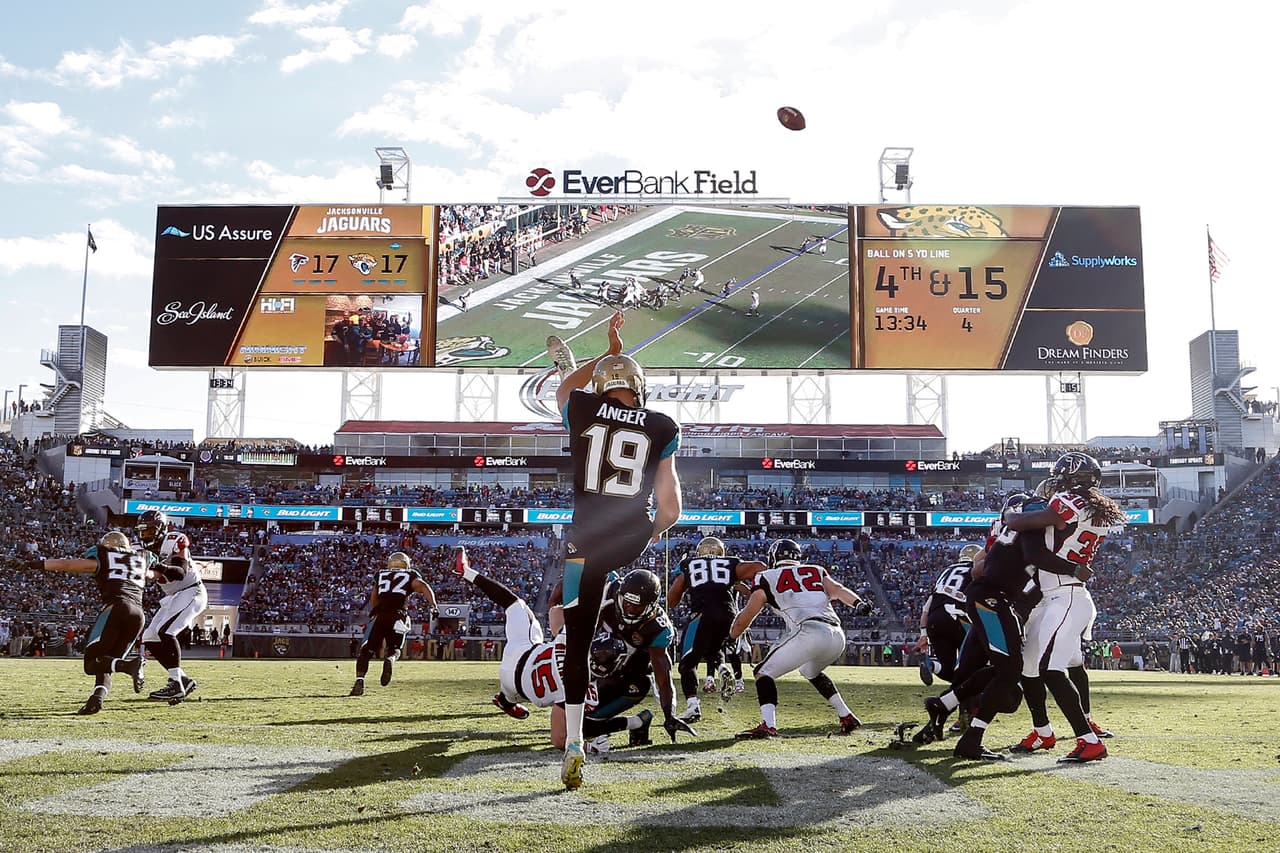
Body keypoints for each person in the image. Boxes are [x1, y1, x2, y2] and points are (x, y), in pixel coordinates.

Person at [546, 312, 683, 789]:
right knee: (608, 595)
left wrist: (603, 354)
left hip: (581, 544)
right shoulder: (662, 426)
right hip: (627, 539)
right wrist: (649, 536)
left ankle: (577, 741)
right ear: (640, 388)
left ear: (604, 383)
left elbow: (563, 389)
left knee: (575, 642)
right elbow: (671, 507)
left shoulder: (582, 408)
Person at [918, 492, 1085, 760]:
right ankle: (971, 739)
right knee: (1009, 673)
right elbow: (1035, 555)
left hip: (990, 598)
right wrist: (1073, 568)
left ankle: (942, 706)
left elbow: (977, 570)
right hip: (994, 600)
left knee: (996, 670)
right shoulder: (1033, 525)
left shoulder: (1008, 528)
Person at [452, 548, 656, 751]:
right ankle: (506, 701)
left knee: (515, 604)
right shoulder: (579, 687)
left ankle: (467, 572)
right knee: (580, 721)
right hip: (519, 688)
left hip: (520, 651)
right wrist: (589, 747)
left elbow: (555, 611)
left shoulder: (570, 639)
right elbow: (559, 740)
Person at [1003, 456, 1126, 762]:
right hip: (1053, 596)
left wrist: (1009, 514)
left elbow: (1020, 523)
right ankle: (1043, 732)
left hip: (1066, 596)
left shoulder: (1068, 502)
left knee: (1050, 669)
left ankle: (1089, 741)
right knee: (1028, 667)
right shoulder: (1096, 509)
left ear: (1069, 478)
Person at [729, 538, 872, 738]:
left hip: (810, 631)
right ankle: (846, 715)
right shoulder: (816, 570)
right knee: (809, 671)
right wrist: (858, 603)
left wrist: (732, 636)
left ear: (774, 557)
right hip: (837, 636)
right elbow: (838, 590)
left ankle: (768, 725)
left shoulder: (765, 576)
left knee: (763, 672)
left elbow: (747, 615)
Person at [20, 531, 155, 715]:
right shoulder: (142, 558)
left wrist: (33, 564)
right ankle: (96, 699)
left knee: (91, 662)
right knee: (106, 662)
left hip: (116, 607)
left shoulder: (104, 555)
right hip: (138, 615)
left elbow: (66, 564)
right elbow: (153, 574)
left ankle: (130, 666)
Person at [667, 536, 763, 723]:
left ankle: (693, 706)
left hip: (702, 614)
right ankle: (722, 668)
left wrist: (683, 579)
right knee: (713, 650)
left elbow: (672, 600)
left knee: (687, 662)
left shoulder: (689, 564)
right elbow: (759, 566)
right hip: (729, 615)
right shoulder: (731, 562)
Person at [136, 510, 207, 704]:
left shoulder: (174, 540)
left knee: (167, 632)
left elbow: (180, 573)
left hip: (192, 591)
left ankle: (176, 684)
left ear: (160, 529)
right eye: (143, 533)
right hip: (173, 596)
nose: (145, 537)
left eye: (149, 532)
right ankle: (183, 679)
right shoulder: (139, 550)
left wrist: (159, 568)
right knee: (150, 637)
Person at [349, 551, 436, 696]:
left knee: (366, 650)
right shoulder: (410, 575)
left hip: (380, 616)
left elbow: (374, 597)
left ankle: (360, 680)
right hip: (398, 616)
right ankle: (390, 659)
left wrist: (377, 610)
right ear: (406, 564)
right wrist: (433, 605)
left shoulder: (381, 574)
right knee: (395, 648)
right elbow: (423, 586)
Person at [915, 543, 983, 686]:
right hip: (959, 618)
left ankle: (932, 665)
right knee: (972, 667)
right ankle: (971, 703)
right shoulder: (976, 570)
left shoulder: (946, 572)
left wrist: (923, 634)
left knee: (948, 669)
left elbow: (926, 609)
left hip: (935, 619)